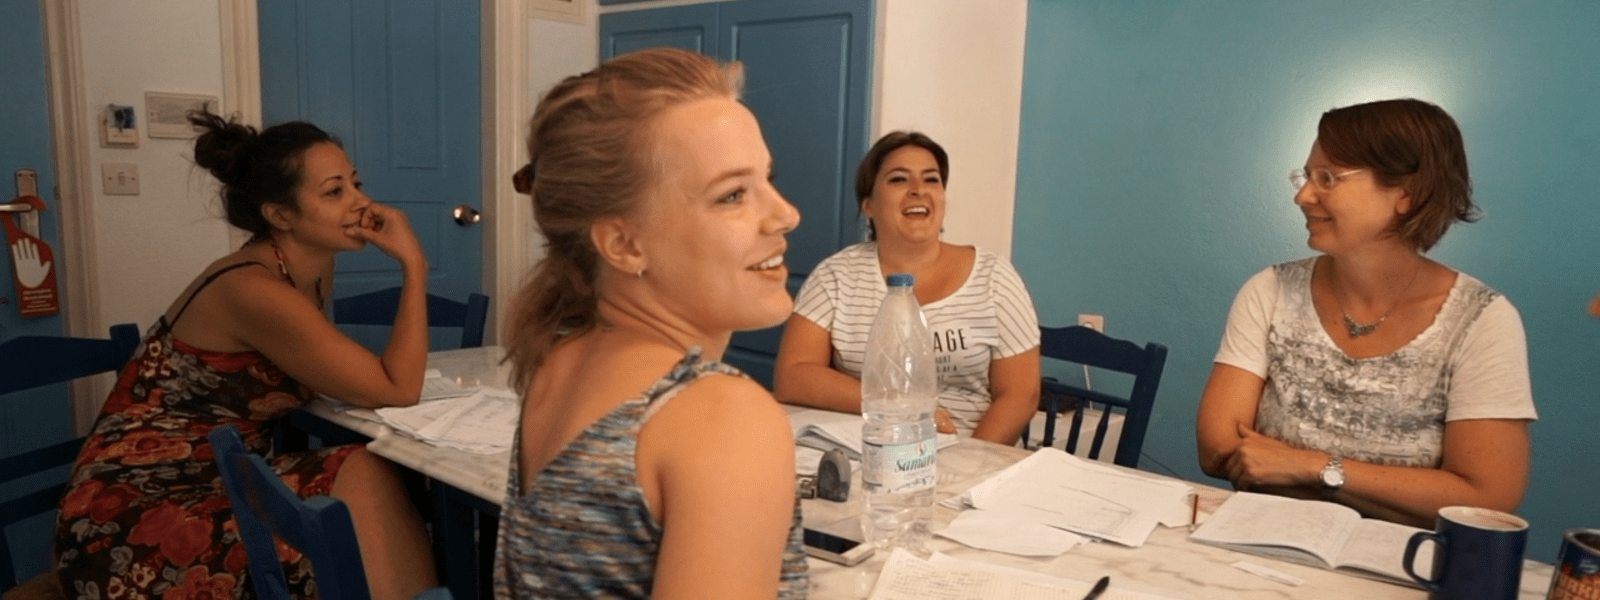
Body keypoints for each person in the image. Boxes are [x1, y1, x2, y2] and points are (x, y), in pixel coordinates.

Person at [54, 111, 437, 599]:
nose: (360, 202)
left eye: (356, 184)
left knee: (368, 476)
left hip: (222, 477)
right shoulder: (255, 289)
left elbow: (338, 373)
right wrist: (414, 263)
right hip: (130, 515)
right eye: (334, 191)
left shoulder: (310, 270)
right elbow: (398, 388)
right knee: (364, 480)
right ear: (280, 215)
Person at [492, 48, 808, 599]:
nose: (786, 214)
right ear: (624, 244)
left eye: (768, 179)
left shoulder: (559, 359)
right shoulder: (722, 418)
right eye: (732, 195)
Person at [1196, 98, 1537, 528]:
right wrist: (1401, 492)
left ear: (1407, 193)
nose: (1303, 195)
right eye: (1306, 176)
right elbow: (1219, 449)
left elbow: (1487, 497)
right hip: (1257, 541)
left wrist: (1310, 467)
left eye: (1327, 178)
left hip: (1401, 562)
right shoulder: (1270, 291)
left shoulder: (1482, 320)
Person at [773, 131, 1041, 445]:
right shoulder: (835, 276)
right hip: (871, 448)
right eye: (899, 179)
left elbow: (1021, 395)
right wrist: (899, 405)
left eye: (931, 180)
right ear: (869, 204)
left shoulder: (994, 277)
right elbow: (793, 376)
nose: (918, 190)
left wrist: (970, 460)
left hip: (970, 448)